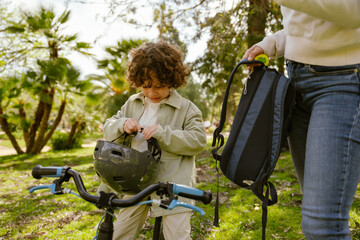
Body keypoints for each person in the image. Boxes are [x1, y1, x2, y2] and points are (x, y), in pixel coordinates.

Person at [243, 1, 360, 239]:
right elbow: (308, 25)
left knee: (323, 226)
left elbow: (352, 12)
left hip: (342, 83)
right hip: (296, 85)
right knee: (315, 218)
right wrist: (270, 43)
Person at [99, 40, 207, 240]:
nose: (152, 92)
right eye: (146, 86)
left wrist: (163, 133)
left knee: (177, 235)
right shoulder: (132, 103)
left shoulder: (187, 108)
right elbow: (108, 128)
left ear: (173, 79)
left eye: (159, 86)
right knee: (120, 232)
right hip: (135, 182)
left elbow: (198, 140)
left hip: (173, 185)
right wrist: (122, 124)